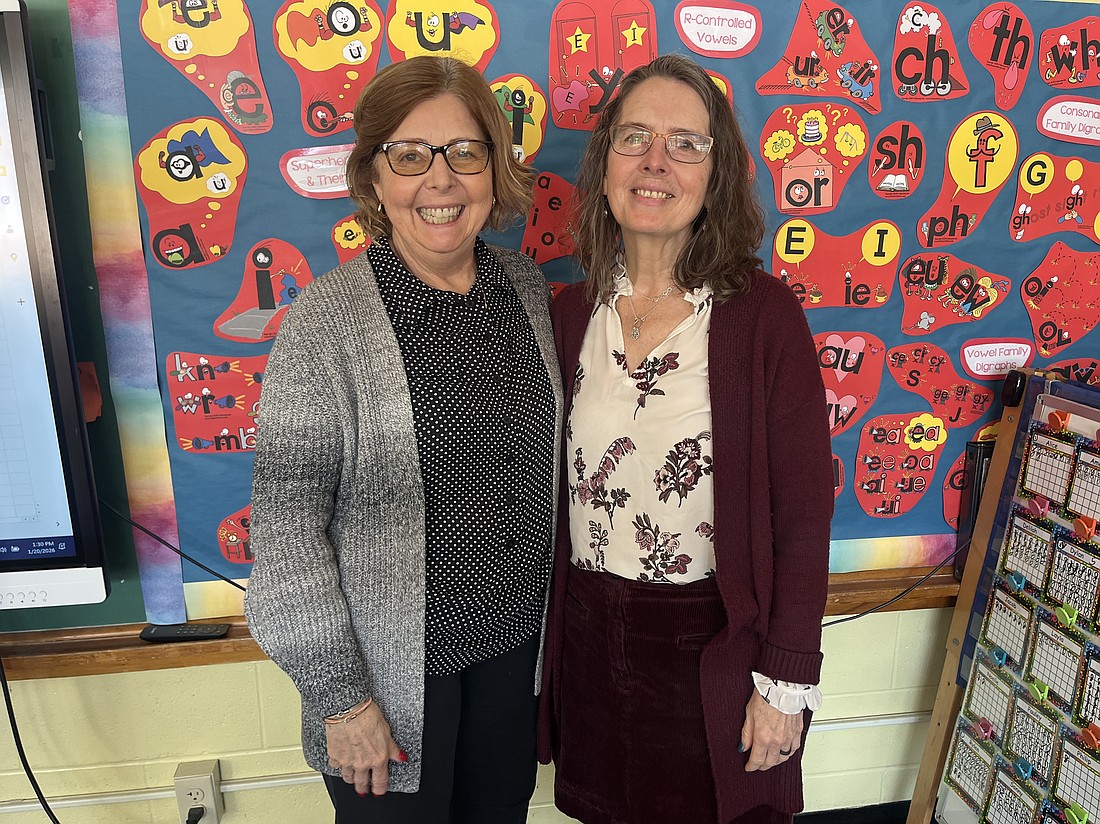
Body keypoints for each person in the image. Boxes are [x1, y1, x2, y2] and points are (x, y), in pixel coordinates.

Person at [245, 56, 562, 824]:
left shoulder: (526, 291)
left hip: (510, 660)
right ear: (375, 179)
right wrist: (340, 699)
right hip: (383, 687)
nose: (441, 180)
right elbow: (285, 529)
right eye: (410, 155)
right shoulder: (326, 325)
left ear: (495, 167)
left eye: (466, 152)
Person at [537, 54, 833, 824]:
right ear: (603, 168)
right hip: (594, 643)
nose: (656, 162)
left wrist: (784, 684)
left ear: (716, 174)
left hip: (714, 651)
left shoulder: (762, 317)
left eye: (686, 143)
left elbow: (803, 519)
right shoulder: (572, 314)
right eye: (634, 138)